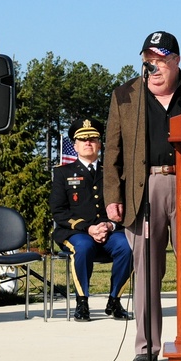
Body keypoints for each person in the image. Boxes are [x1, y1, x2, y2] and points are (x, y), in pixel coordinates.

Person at [104, 31, 181, 361]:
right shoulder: (125, 95)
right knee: (147, 271)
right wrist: (113, 195)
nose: (153, 66)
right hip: (146, 188)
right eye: (148, 59)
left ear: (176, 60)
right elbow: (113, 150)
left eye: (160, 59)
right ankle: (146, 350)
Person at [50, 118, 133, 322]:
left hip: (109, 231)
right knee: (84, 247)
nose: (88, 143)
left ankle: (115, 300)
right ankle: (82, 302)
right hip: (76, 232)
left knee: (128, 246)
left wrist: (109, 224)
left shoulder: (113, 173)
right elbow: (58, 211)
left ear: (100, 144)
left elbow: (125, 205)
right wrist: (89, 228)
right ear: (75, 145)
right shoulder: (63, 173)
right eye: (83, 139)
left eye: (93, 139)